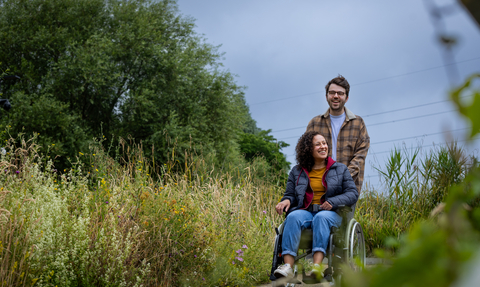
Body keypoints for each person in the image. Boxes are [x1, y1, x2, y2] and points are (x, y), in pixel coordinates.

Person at [273, 131, 358, 279]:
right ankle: (287, 267)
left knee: (321, 217)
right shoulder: (297, 171)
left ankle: (316, 267)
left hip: (331, 214)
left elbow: (352, 193)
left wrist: (333, 202)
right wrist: (286, 201)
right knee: (292, 217)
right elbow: (290, 195)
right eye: (318, 144)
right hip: (306, 211)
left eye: (324, 143)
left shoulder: (340, 169)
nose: (323, 146)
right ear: (308, 149)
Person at [306, 75, 369, 194]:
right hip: (319, 187)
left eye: (340, 93)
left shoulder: (358, 123)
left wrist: (342, 178)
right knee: (318, 214)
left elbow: (360, 157)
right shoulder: (314, 123)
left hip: (348, 187)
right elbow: (306, 155)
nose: (335, 96)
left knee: (340, 214)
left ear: (346, 98)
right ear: (326, 96)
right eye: (332, 93)